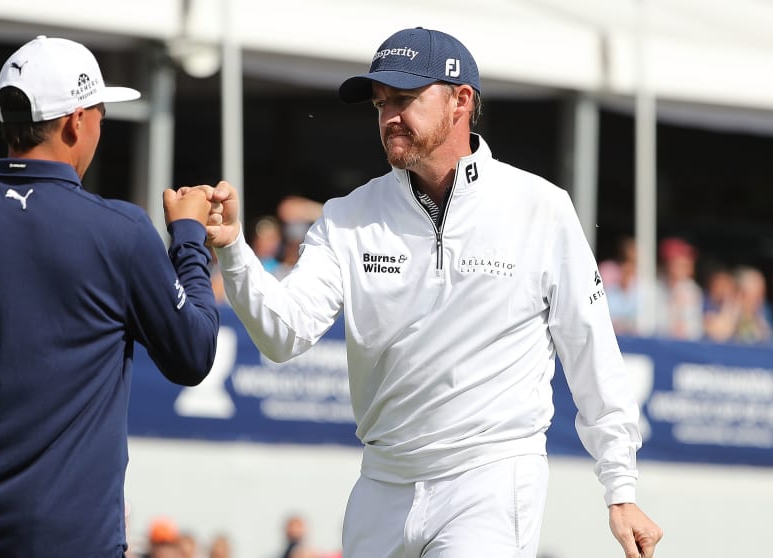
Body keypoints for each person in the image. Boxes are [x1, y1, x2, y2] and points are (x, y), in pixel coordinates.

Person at [196, 27, 661, 558]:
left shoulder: (541, 207)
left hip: (490, 477)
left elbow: (591, 351)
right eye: (380, 103)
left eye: (404, 99)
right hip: (381, 481)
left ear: (461, 100)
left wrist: (620, 488)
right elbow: (284, 335)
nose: (389, 116)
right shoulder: (348, 216)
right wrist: (232, 247)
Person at [0, 35, 220, 558]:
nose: (102, 127)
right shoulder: (121, 232)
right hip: (72, 543)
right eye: (102, 113)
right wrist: (190, 240)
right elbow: (193, 354)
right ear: (76, 121)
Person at [655, 236, 704, 340]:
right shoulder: (655, 287)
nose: (687, 268)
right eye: (680, 264)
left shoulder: (692, 290)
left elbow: (693, 327)